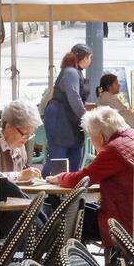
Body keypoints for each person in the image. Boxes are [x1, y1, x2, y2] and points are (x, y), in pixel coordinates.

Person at [45, 107, 134, 246]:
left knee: (68, 218)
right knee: (84, 212)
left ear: (100, 136)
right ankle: (109, 265)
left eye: (92, 138)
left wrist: (59, 178)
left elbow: (81, 179)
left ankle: (73, 264)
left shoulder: (114, 149)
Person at [42, 44, 92, 175]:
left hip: (70, 118)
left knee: (74, 154)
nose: (90, 61)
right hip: (60, 117)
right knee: (59, 157)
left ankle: (69, 187)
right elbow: (74, 97)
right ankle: (48, 187)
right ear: (85, 58)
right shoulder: (71, 72)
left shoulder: (74, 72)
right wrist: (87, 118)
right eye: (90, 57)